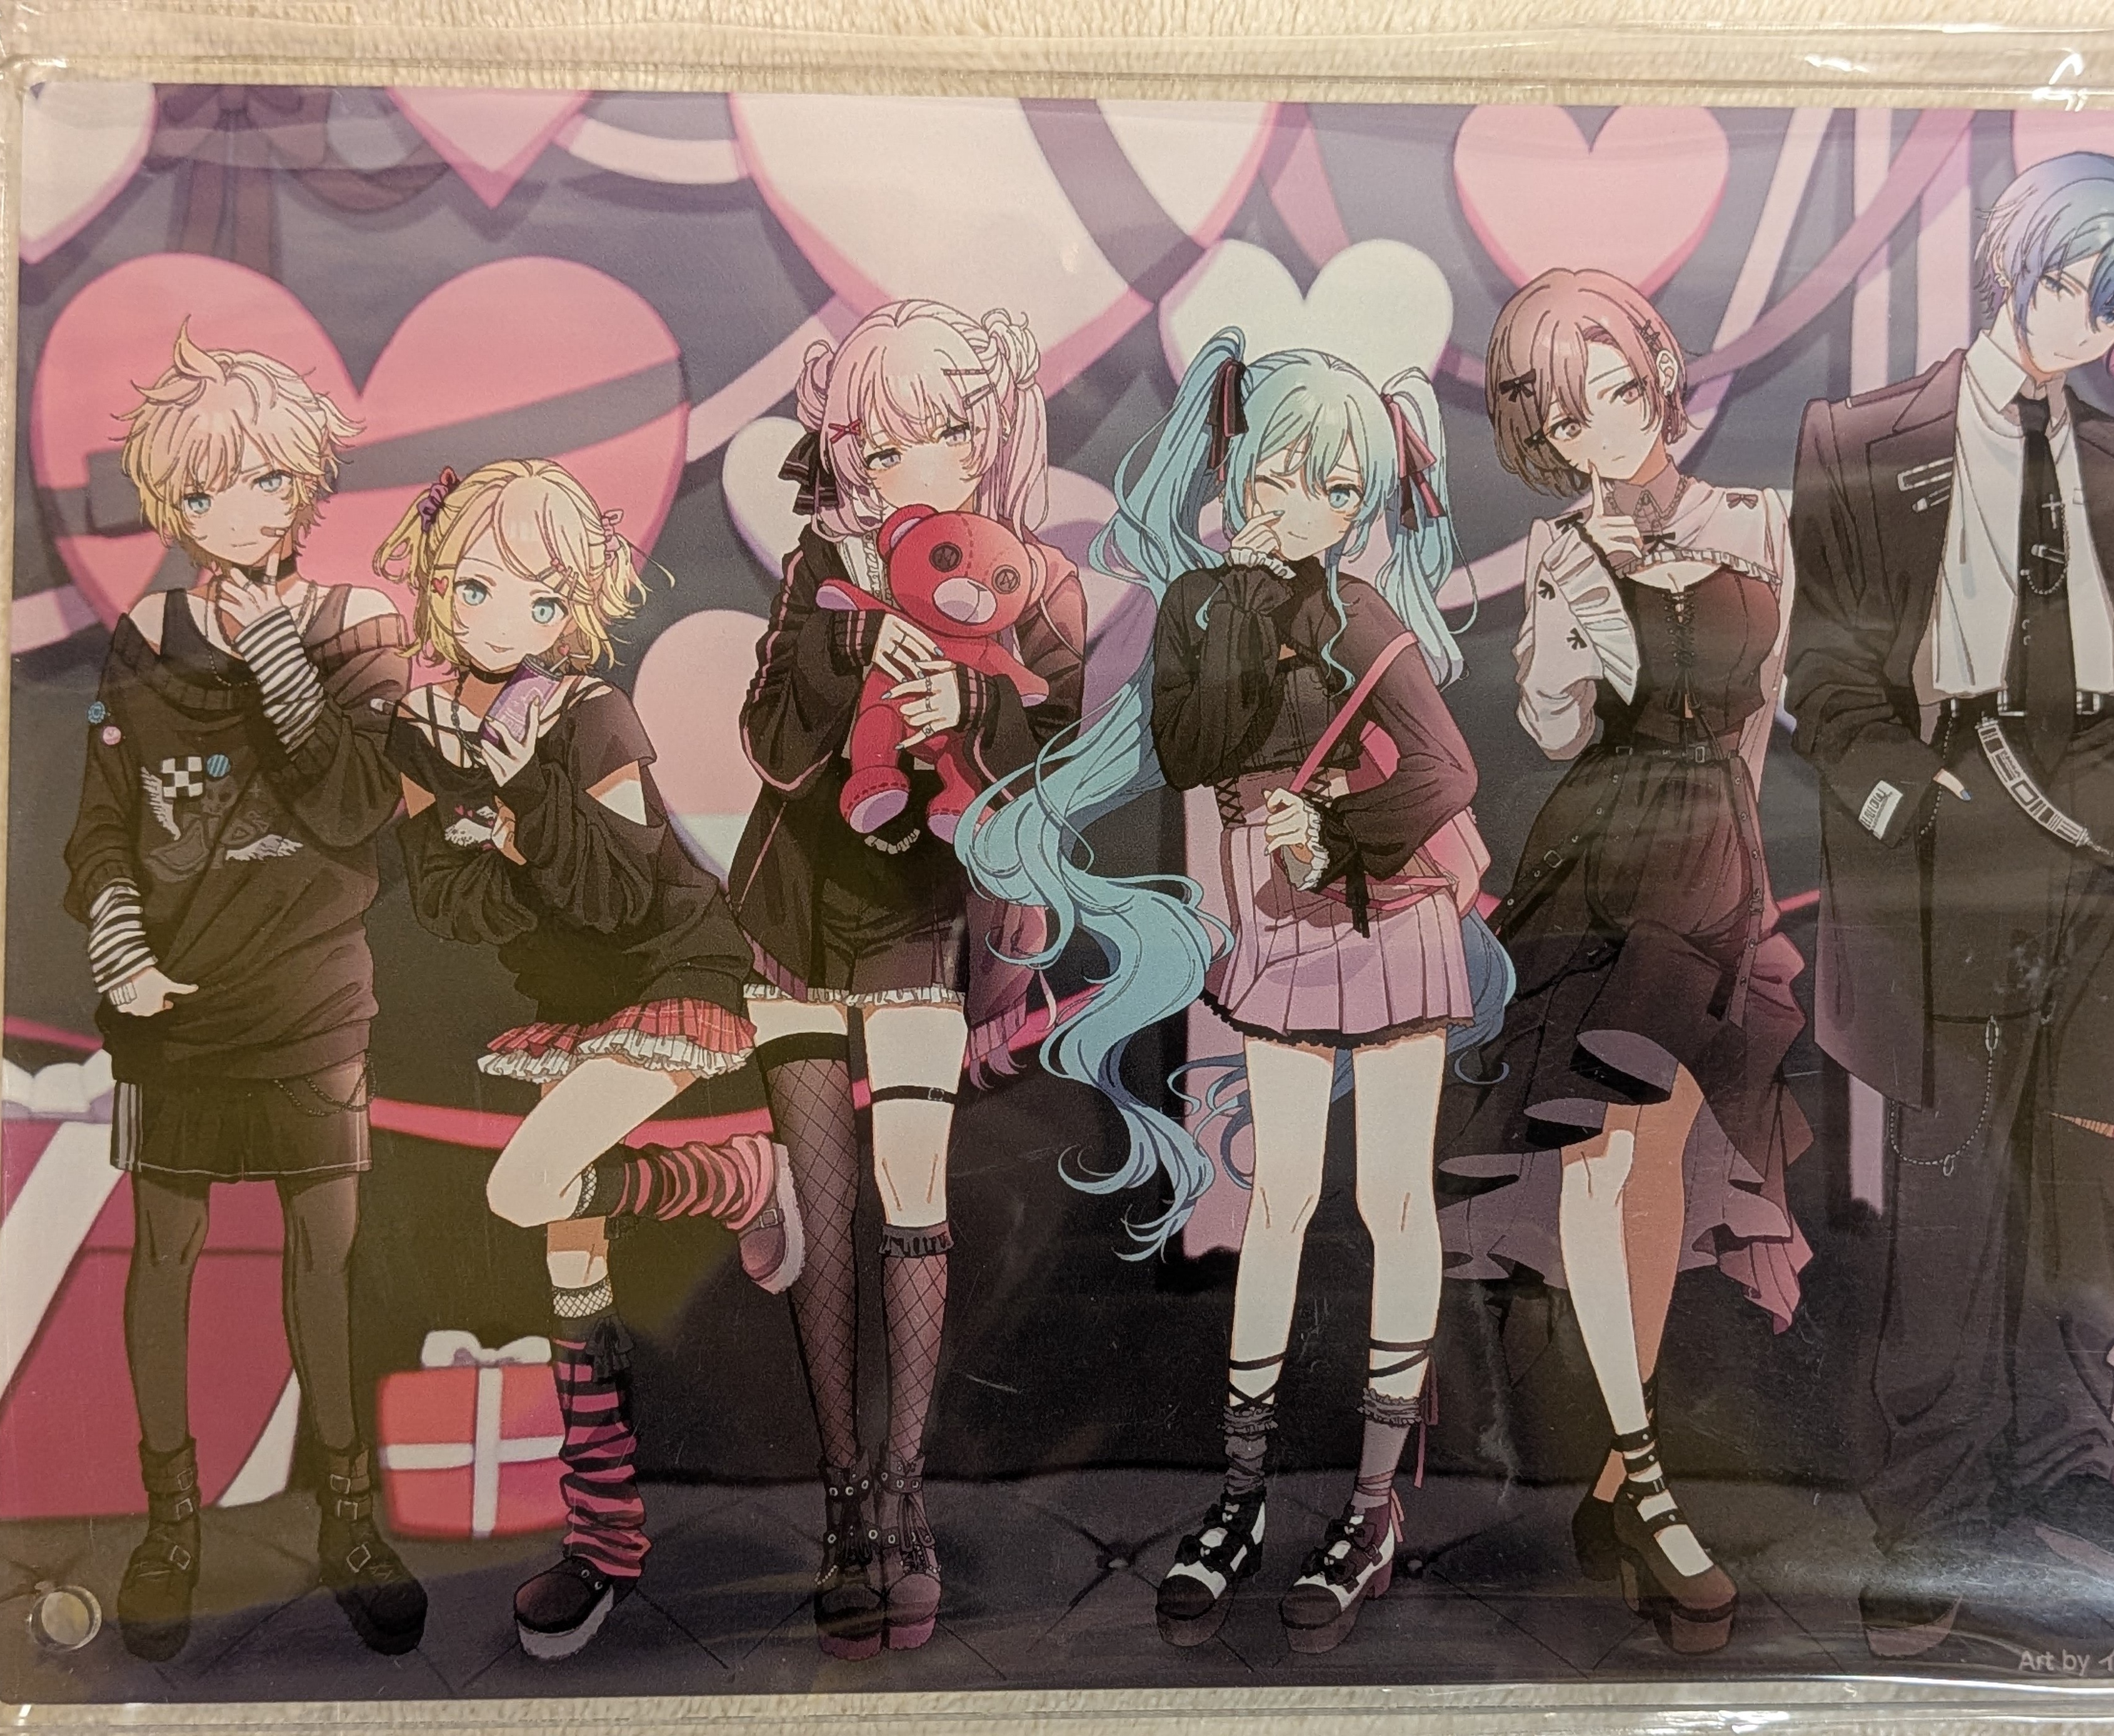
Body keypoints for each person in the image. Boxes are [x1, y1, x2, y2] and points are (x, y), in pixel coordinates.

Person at [966, 329, 1508, 1656]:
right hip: (1275, 921)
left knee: (1391, 1201)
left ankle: (1371, 1505)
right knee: (1277, 1199)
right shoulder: (1203, 608)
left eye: (1335, 488)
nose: (1301, 506)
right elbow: (1188, 747)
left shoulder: (1362, 614)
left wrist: (1341, 826)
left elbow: (1446, 772)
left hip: (1388, 914)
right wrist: (1235, 620)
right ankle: (1243, 1493)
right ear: (1235, 470)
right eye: (1278, 475)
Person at [1786, 151, 2114, 1656]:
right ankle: (1932, 1505)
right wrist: (1907, 797)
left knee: (2085, 1190)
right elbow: (1827, 669)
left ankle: (2066, 1465)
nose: (2086, 322)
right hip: (1958, 830)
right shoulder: (1861, 438)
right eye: (2071, 284)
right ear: (2010, 261)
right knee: (1957, 1196)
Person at [1436, 268, 1812, 1655]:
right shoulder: (1558, 547)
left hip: (1716, 863)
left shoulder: (1756, 521)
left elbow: (1763, 719)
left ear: (1657, 373)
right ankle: (1650, 1487)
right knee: (1601, 1161)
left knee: (1654, 1173)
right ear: (1542, 434)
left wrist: (1748, 892)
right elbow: (1552, 727)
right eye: (1567, 410)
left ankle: (1610, 1484)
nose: (1606, 421)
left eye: (1619, 385)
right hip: (1603, 856)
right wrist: (1574, 605)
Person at [379, 459, 801, 1662]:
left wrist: (515, 809)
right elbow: (450, 905)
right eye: (472, 586)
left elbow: (617, 893)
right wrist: (495, 831)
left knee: (528, 1184)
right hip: (563, 1008)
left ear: (571, 606)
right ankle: (603, 1543)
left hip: (673, 975)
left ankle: (738, 1177)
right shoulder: (423, 731)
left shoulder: (591, 714)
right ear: (434, 584)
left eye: (536, 596)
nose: (497, 618)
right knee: (573, 1251)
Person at [728, 300, 1088, 1658]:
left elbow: (1066, 764)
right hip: (794, 908)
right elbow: (770, 744)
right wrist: (847, 668)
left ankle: (904, 1493)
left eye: (920, 436)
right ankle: (841, 1499)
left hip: (923, 914)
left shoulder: (1035, 581)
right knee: (824, 1214)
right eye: (869, 444)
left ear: (979, 435)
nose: (890, 467)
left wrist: (967, 709)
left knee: (913, 1198)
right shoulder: (820, 565)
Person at [63, 328, 426, 1662]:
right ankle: (172, 1524)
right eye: (209, 488)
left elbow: (353, 805)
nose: (242, 511)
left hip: (314, 999)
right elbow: (102, 824)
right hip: (171, 1008)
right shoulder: (145, 637)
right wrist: (119, 941)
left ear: (308, 483)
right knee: (161, 1254)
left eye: (269, 480)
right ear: (175, 501)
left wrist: (277, 652)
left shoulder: (359, 626)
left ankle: (347, 1516)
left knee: (324, 1256)